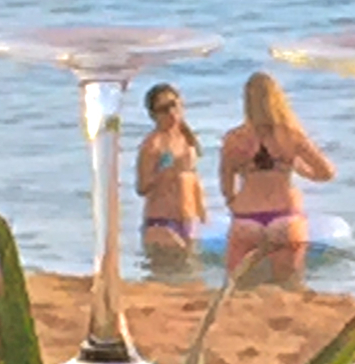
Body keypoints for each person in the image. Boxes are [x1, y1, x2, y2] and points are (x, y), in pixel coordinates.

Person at [219, 71, 335, 288]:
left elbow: (226, 182)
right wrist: (301, 169)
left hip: (246, 217)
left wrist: (233, 202)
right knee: (289, 286)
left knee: (240, 287)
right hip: (285, 216)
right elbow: (327, 172)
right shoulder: (291, 134)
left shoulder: (234, 139)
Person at [136, 83, 207, 255]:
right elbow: (142, 187)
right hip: (162, 222)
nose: (171, 112)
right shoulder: (152, 145)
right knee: (172, 268)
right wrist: (167, 171)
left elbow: (193, 179)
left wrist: (203, 213)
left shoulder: (186, 138)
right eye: (163, 109)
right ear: (153, 115)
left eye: (173, 105)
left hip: (189, 220)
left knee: (192, 269)